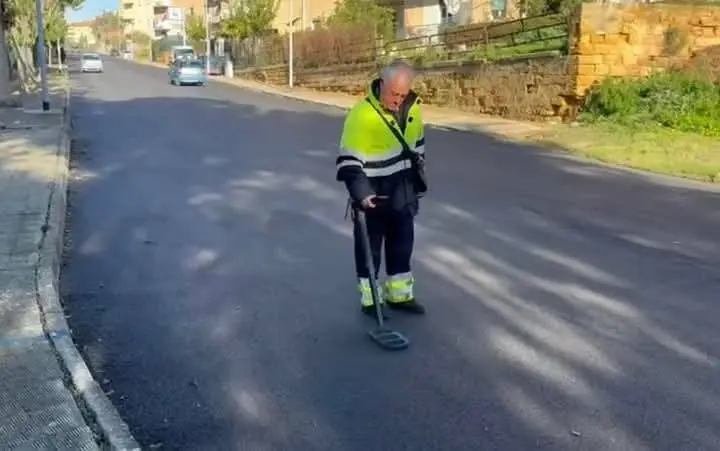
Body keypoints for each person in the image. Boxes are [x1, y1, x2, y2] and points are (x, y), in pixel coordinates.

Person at [335, 60, 427, 317]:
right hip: (374, 195)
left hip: (403, 192)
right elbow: (349, 161)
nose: (397, 100)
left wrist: (417, 181)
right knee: (370, 251)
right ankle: (371, 300)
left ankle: (400, 296)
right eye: (393, 94)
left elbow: (418, 145)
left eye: (403, 94)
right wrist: (362, 194)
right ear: (381, 84)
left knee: (402, 246)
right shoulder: (362, 115)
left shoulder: (414, 108)